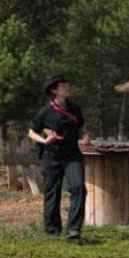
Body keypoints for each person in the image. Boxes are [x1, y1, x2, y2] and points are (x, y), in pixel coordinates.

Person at [28, 74, 90, 239]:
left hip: (72, 155)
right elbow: (31, 132)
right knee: (52, 193)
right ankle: (52, 230)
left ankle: (74, 229)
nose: (67, 87)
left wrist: (85, 135)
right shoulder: (45, 112)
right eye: (63, 86)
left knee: (78, 188)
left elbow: (81, 128)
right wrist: (45, 140)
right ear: (54, 90)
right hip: (51, 157)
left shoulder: (75, 109)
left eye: (67, 85)